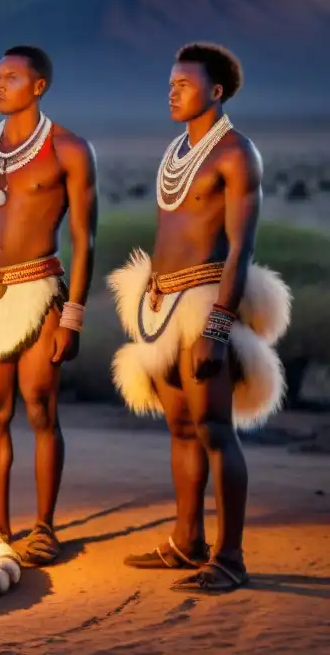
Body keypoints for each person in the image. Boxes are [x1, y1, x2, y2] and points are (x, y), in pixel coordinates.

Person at [109, 43, 291, 593]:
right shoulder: (177, 150)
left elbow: (240, 249)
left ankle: (230, 557)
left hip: (204, 306)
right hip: (161, 307)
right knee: (182, 429)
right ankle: (186, 542)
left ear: (215, 92)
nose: (171, 91)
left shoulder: (237, 154)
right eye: (169, 83)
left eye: (183, 84)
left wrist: (216, 327)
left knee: (215, 429)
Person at [0, 46, 98, 566]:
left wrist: (73, 315)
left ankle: (44, 528)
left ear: (38, 87)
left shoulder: (69, 150)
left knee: (39, 407)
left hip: (41, 291)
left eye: (11, 76)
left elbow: (85, 238)